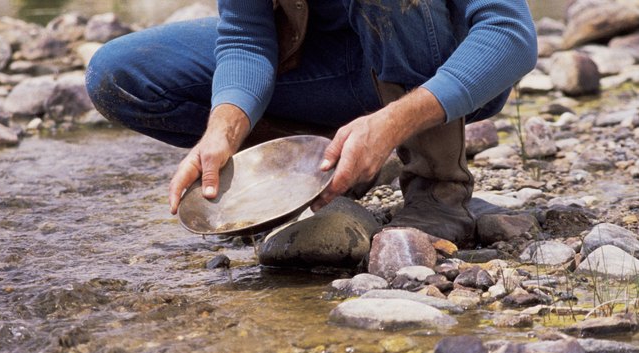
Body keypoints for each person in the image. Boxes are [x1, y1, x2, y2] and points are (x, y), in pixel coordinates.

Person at [86, 0, 537, 246]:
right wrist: (221, 130)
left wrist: (391, 123)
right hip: (332, 66)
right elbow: (246, 38)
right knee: (120, 73)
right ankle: (327, 164)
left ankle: (437, 188)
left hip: (445, 68)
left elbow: (510, 36)